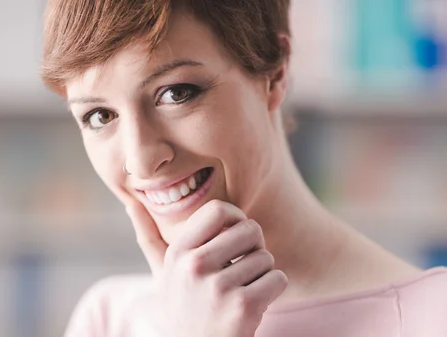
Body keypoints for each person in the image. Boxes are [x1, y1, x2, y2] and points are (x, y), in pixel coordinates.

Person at [41, 1, 447, 336]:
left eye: (176, 93)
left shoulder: (432, 318)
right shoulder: (110, 318)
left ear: (275, 73)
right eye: (99, 116)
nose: (141, 160)